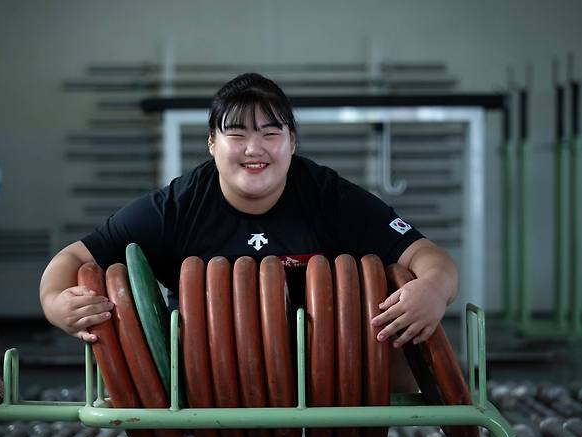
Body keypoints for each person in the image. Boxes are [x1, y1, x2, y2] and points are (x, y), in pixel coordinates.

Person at [39, 73, 458, 368]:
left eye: (270, 134)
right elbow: (73, 257)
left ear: (292, 142)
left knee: (401, 341)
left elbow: (426, 255)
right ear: (211, 144)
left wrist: (434, 289)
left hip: (318, 367)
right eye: (236, 134)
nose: (253, 148)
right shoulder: (177, 206)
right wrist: (56, 303)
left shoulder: (328, 195)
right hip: (200, 374)